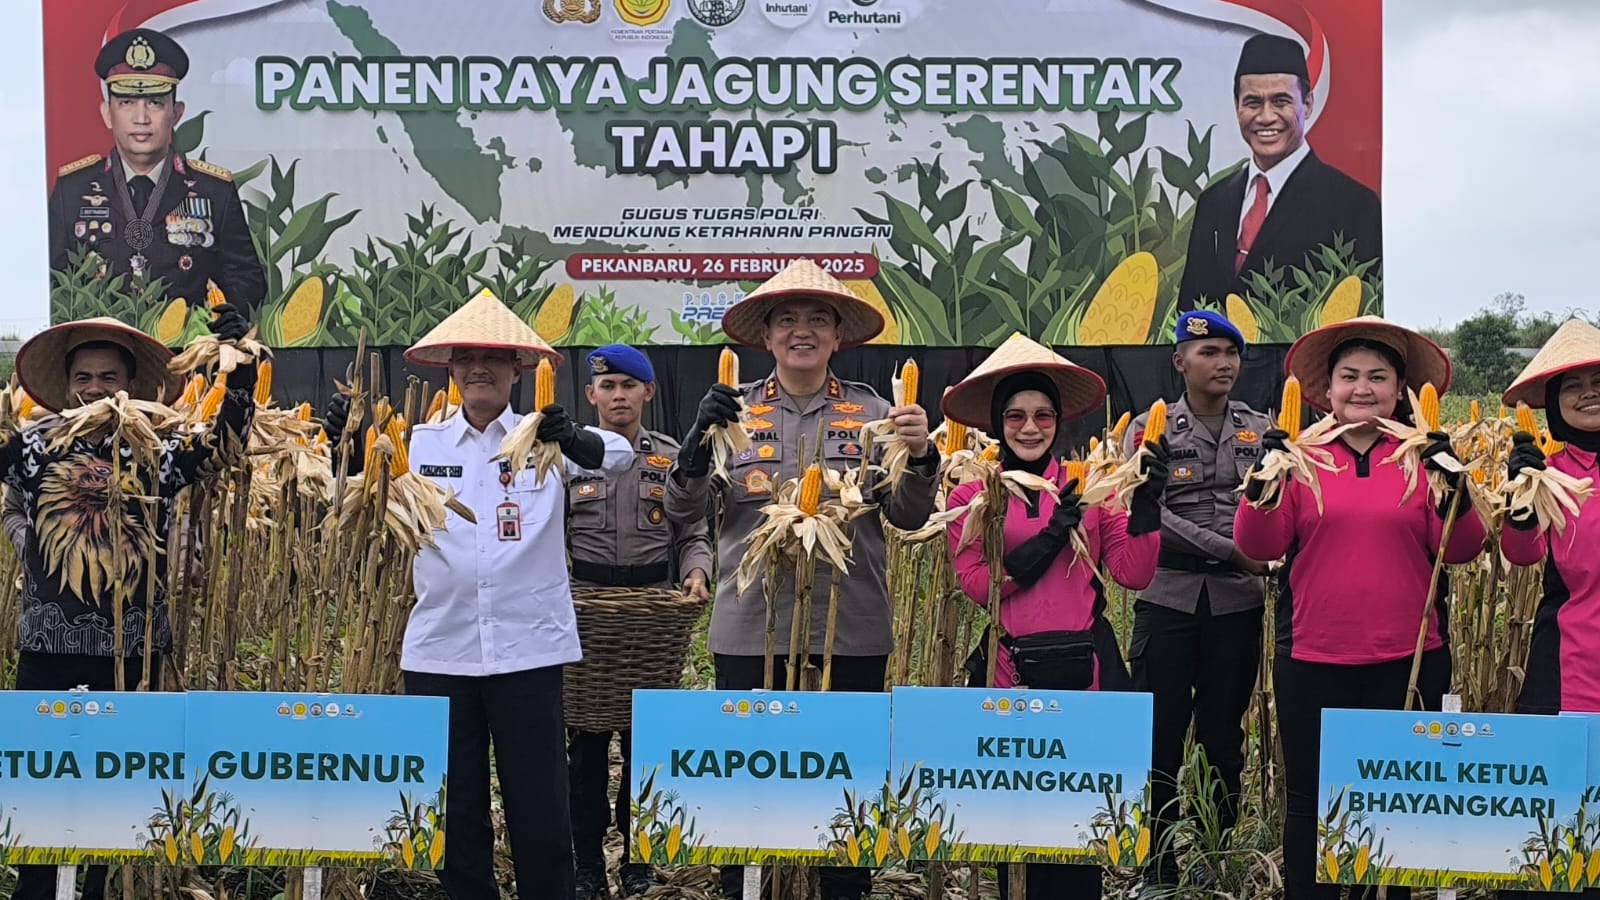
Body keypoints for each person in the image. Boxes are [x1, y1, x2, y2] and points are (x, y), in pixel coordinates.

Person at [326, 289, 633, 900]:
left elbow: (620, 458)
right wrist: (340, 439)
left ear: (517, 368)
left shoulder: (544, 438)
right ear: (451, 368)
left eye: (493, 357)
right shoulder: (419, 442)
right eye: (466, 357)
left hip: (529, 649)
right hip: (440, 650)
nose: (478, 368)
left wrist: (574, 440)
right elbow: (350, 490)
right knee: (455, 807)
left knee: (540, 806)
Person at [663, 259, 939, 900]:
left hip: (850, 629)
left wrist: (921, 455)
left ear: (839, 335)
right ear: (766, 336)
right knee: (748, 800)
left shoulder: (874, 415)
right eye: (787, 320)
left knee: (847, 801)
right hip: (751, 627)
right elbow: (681, 511)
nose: (803, 331)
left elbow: (905, 514)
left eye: (819, 319)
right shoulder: (730, 414)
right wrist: (699, 443)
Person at [3, 307, 255, 900]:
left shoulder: (159, 453)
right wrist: (23, 538)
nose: (95, 389)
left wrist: (237, 369)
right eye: (83, 378)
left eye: (108, 378)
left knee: (114, 804)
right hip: (49, 651)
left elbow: (224, 449)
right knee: (44, 795)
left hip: (132, 658)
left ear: (131, 386)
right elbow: (9, 491)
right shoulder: (35, 448)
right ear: (67, 387)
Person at [1233, 316, 1487, 900]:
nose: (1363, 389)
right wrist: (1263, 485)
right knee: (1312, 798)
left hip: (1409, 658)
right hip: (1313, 654)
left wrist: (1455, 488)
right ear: (1327, 389)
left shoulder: (1421, 458)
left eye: (1378, 377)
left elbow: (1463, 549)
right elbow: (1259, 547)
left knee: (1396, 800)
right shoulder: (1299, 458)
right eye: (1349, 376)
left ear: (1400, 390)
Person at [942, 333, 1167, 899]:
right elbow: (976, 584)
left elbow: (1132, 573)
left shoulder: (1090, 489)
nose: (1029, 426)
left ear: (1058, 421)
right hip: (1008, 671)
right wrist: (1047, 540)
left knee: (1076, 832)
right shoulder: (972, 494)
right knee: (1012, 828)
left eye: (1043, 414)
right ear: (997, 424)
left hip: (1084, 676)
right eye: (1015, 415)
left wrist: (1146, 506)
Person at [1122, 311, 1274, 886]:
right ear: (1179, 361)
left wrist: (1250, 555)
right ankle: (1158, 861)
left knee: (1222, 736)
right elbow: (1147, 514)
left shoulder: (1261, 429)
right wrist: (1230, 549)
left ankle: (1215, 853)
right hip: (1169, 595)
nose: (1223, 363)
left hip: (1237, 601)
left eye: (1231, 353)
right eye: (1208, 351)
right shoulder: (1148, 431)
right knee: (1159, 731)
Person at [567, 343, 714, 900]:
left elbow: (693, 530)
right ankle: (585, 865)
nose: (618, 395)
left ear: (648, 392)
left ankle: (637, 861)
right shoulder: (569, 457)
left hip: (651, 610)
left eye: (630, 386)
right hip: (584, 609)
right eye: (608, 387)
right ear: (591, 395)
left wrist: (696, 574)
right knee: (583, 746)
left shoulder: (673, 459)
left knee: (643, 743)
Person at [48, 28, 266, 318]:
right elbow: (49, 277)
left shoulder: (214, 191)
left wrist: (224, 321)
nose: (141, 118)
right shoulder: (72, 190)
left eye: (155, 103)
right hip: (102, 354)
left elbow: (247, 278)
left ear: (176, 113)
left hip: (187, 355)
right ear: (106, 113)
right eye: (126, 103)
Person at [1496, 319, 1600, 900]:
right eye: (1573, 385)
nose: (1588, 392)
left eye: (1598, 379)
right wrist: (1521, 503)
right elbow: (1521, 554)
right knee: (1565, 835)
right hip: (1574, 665)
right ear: (1555, 405)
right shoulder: (1549, 472)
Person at [1178, 33, 1381, 311]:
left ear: (1307, 104)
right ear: (1236, 106)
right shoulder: (1214, 201)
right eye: (1252, 102)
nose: (1266, 117)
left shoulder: (1354, 205)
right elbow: (1189, 312)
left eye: (1280, 101)